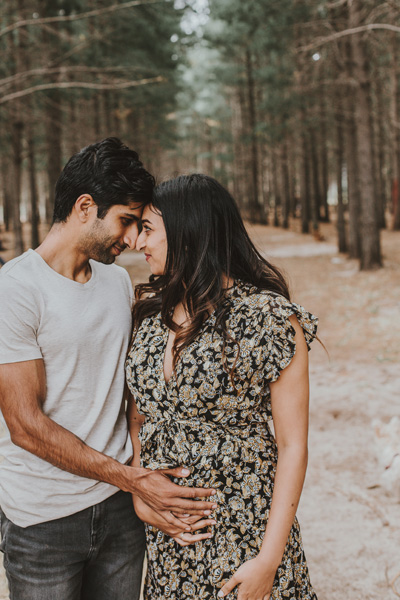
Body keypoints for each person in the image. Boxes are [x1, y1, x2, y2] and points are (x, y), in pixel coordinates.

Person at [0, 140, 216, 600]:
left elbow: (133, 394)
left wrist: (135, 483)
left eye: (140, 224)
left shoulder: (118, 282)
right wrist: (133, 479)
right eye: (126, 220)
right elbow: (25, 426)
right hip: (44, 521)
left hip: (120, 512)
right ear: (85, 207)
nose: (132, 238)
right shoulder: (15, 291)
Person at [126, 173, 319, 600]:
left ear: (187, 232)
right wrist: (142, 493)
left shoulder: (268, 319)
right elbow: (138, 417)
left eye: (147, 229)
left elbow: (293, 447)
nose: (137, 242)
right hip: (170, 545)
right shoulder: (149, 316)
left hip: (244, 535)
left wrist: (268, 561)